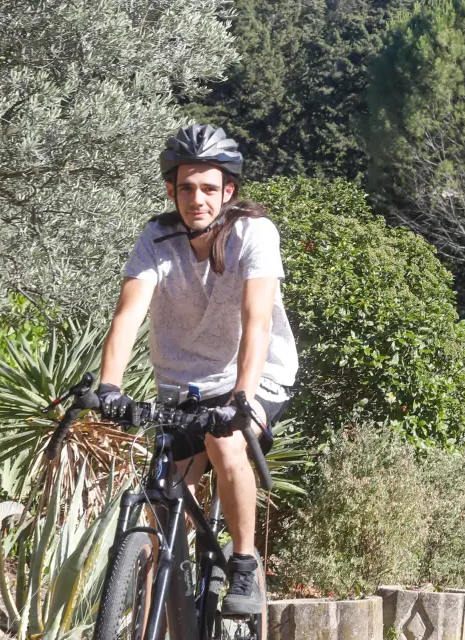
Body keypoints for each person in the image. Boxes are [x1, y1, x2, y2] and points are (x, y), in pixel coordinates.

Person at [93, 124, 296, 616]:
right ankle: (165, 594)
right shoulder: (156, 238)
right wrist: (109, 386)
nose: (196, 198)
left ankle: (244, 564)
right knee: (165, 493)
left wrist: (242, 401)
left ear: (228, 191)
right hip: (183, 384)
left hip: (254, 375)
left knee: (226, 443)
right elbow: (128, 313)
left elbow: (258, 322)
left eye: (208, 188)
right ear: (171, 190)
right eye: (186, 187)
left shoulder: (254, 233)